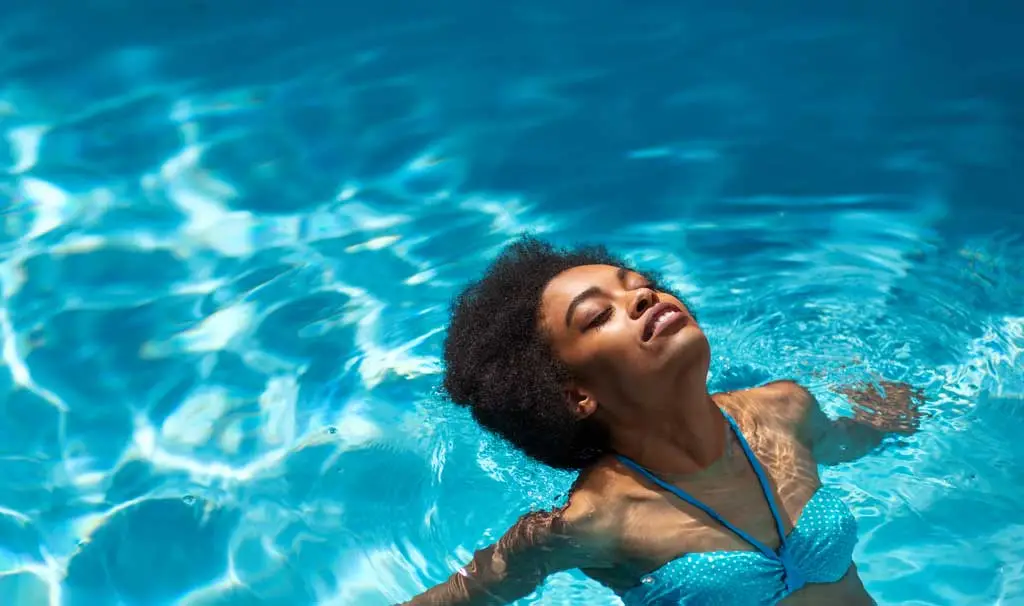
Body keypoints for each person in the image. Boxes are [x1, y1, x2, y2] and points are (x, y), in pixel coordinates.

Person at [402, 236, 924, 606]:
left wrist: (884, 419)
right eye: (598, 315)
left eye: (639, 285)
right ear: (576, 395)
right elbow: (470, 591)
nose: (643, 296)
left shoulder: (783, 411)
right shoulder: (596, 520)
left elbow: (839, 441)